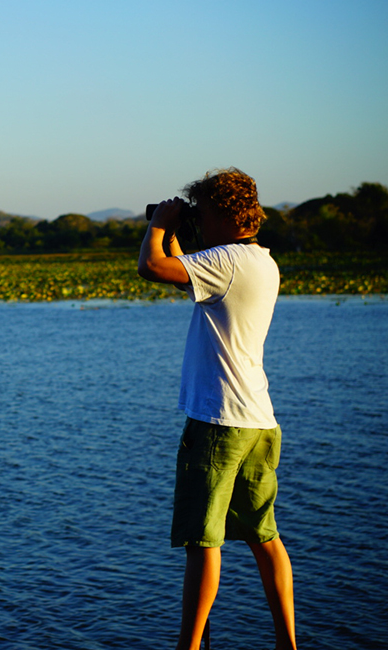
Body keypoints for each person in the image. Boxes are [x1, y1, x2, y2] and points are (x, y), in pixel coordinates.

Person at [137, 168, 297, 650]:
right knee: (263, 534)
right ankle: (287, 643)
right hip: (259, 420)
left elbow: (152, 267)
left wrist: (160, 226)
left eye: (202, 213)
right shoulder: (259, 262)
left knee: (202, 542)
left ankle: (187, 647)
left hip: (218, 420)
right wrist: (180, 238)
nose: (199, 222)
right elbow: (192, 279)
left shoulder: (225, 260)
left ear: (221, 212)